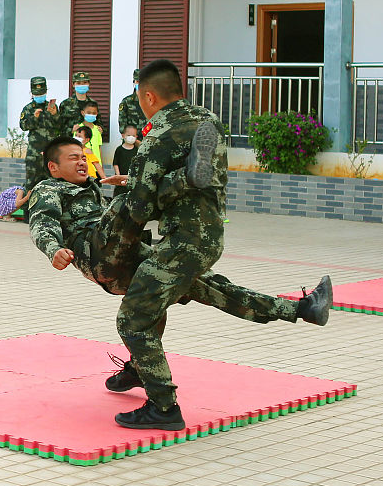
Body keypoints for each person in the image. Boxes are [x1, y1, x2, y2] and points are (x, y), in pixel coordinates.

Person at [28, 133, 333, 430]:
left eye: (84, 157)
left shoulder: (93, 186)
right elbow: (42, 222)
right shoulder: (48, 188)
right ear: (54, 167)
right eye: (73, 158)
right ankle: (185, 174)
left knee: (210, 284)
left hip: (130, 257)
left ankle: (301, 309)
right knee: (131, 202)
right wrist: (53, 249)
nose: (82, 162)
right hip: (98, 254)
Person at [106, 60, 333, 429]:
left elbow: (137, 210)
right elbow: (206, 177)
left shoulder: (157, 136)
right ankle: (304, 308)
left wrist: (134, 199)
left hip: (181, 241)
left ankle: (163, 408)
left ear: (148, 96)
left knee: (133, 317)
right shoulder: (207, 119)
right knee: (216, 292)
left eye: (138, 96)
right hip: (210, 233)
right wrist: (140, 182)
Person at [18, 76, 61, 187]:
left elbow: (59, 126)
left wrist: (55, 114)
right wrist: (34, 117)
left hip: (50, 152)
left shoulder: (52, 107)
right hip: (34, 153)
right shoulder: (28, 109)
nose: (40, 96)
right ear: (32, 93)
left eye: (41, 94)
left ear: (46, 91)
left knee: (52, 183)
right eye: (37, 95)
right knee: (31, 183)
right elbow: (23, 126)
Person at [59, 70, 100, 138]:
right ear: (73, 84)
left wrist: (100, 129)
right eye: (78, 83)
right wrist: (71, 130)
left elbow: (98, 123)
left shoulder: (93, 103)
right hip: (70, 141)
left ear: (88, 84)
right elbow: (59, 126)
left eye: (84, 83)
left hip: (89, 141)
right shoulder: (65, 104)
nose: (82, 85)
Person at [111, 125, 140, 198]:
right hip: (121, 180)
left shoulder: (137, 150)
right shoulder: (119, 149)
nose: (131, 137)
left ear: (136, 137)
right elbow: (115, 163)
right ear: (123, 136)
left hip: (132, 179)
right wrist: (118, 175)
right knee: (119, 197)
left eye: (133, 135)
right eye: (129, 135)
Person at [116, 69, 145, 139]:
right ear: (134, 83)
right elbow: (122, 124)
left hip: (147, 141)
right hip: (130, 140)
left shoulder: (151, 101)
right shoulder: (126, 101)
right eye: (138, 81)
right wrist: (133, 140)